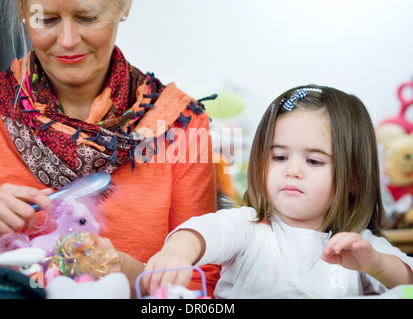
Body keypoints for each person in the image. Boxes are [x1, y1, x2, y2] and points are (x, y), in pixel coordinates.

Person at [0, 0, 220, 297]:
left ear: (124, 6)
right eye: (46, 20)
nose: (68, 40)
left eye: (87, 17)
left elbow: (204, 287)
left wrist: (127, 271)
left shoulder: (181, 126)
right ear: (23, 13)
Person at [143, 85, 413, 298]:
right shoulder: (249, 228)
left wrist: (377, 265)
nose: (292, 171)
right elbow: (205, 232)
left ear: (353, 177)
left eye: (314, 161)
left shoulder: (359, 247)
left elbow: (408, 282)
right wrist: (177, 253)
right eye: (279, 157)